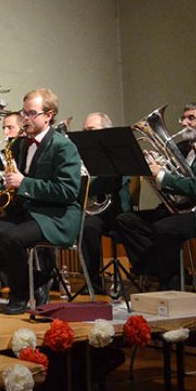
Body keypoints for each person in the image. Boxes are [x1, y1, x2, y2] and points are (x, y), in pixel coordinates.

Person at [0, 89, 82, 314]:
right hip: (26, 213)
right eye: (24, 113)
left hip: (54, 216)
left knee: (12, 239)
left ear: (48, 115)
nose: (26, 119)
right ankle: (34, 279)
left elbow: (68, 191)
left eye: (32, 113)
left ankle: (19, 295)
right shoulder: (20, 144)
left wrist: (25, 184)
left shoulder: (63, 146)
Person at [114, 102, 196, 290]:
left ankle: (170, 286)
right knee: (126, 220)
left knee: (164, 229)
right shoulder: (182, 148)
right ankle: (157, 271)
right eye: (183, 118)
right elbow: (174, 181)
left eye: (191, 118)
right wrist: (153, 164)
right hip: (180, 210)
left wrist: (162, 175)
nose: (184, 123)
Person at [78, 112, 132, 294]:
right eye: (85, 130)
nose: (86, 134)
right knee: (86, 224)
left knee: (89, 226)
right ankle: (92, 281)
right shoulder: (83, 153)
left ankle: (95, 281)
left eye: (91, 129)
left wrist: (83, 186)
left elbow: (114, 183)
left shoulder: (118, 152)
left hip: (115, 210)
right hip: (94, 209)